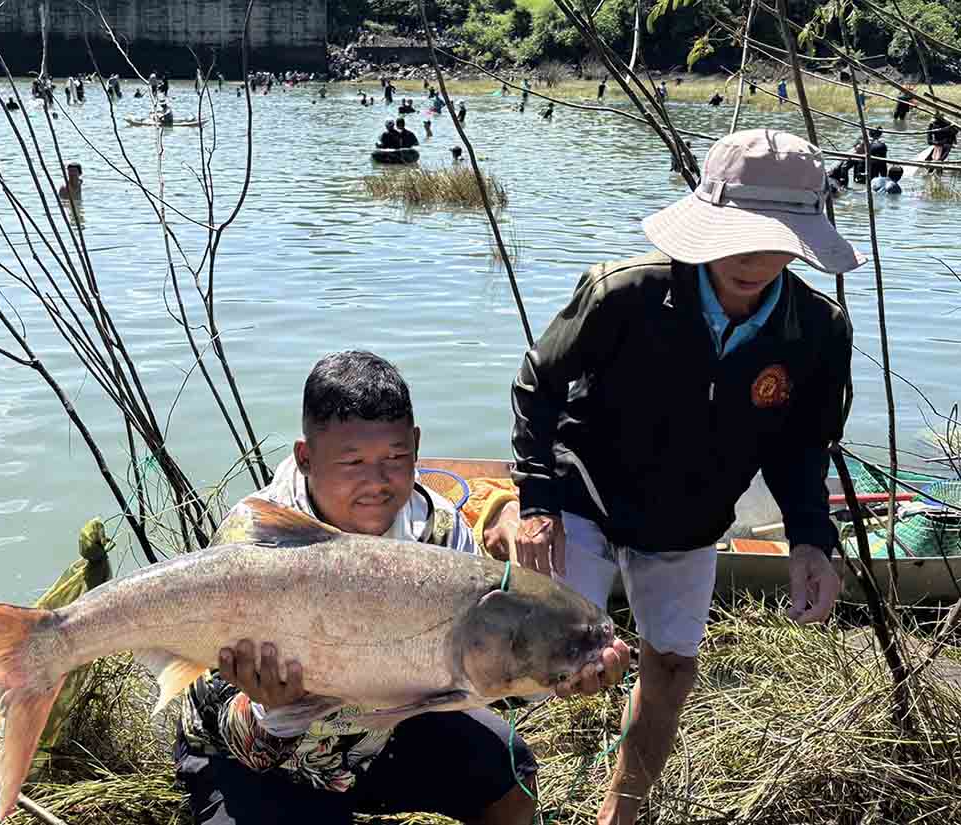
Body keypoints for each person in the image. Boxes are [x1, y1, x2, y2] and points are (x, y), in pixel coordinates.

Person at [508, 129, 863, 825]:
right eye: (739, 235)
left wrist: (811, 540)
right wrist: (535, 500)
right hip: (585, 494)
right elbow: (536, 383)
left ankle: (623, 812)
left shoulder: (817, 331)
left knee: (670, 667)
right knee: (547, 665)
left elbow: (801, 447)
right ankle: (505, 800)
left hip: (691, 519)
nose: (755, 260)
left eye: (779, 241)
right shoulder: (625, 292)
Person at [173, 351, 622, 825]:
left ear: (416, 445)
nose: (378, 482)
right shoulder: (254, 545)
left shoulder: (440, 531)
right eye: (352, 462)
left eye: (395, 457)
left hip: (377, 734)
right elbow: (241, 741)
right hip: (253, 762)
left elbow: (470, 676)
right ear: (305, 457)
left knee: (512, 772)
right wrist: (274, 707)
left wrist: (560, 672)